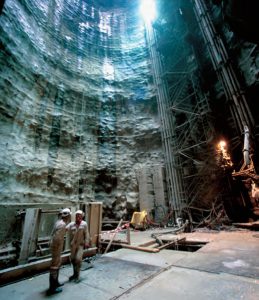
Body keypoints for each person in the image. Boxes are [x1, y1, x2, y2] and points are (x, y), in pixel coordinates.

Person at [48, 208, 71, 295]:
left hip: (56, 247)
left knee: (57, 264)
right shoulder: (62, 225)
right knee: (54, 266)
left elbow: (56, 233)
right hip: (56, 248)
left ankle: (56, 282)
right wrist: (57, 250)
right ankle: (52, 288)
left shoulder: (59, 222)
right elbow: (57, 239)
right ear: (68, 216)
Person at [66, 209, 90, 283]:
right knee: (73, 260)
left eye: (80, 216)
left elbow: (86, 234)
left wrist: (87, 242)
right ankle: (74, 274)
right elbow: (65, 228)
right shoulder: (72, 224)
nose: (78, 217)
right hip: (73, 245)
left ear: (82, 216)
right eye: (77, 216)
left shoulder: (84, 224)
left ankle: (78, 276)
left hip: (80, 245)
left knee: (78, 260)